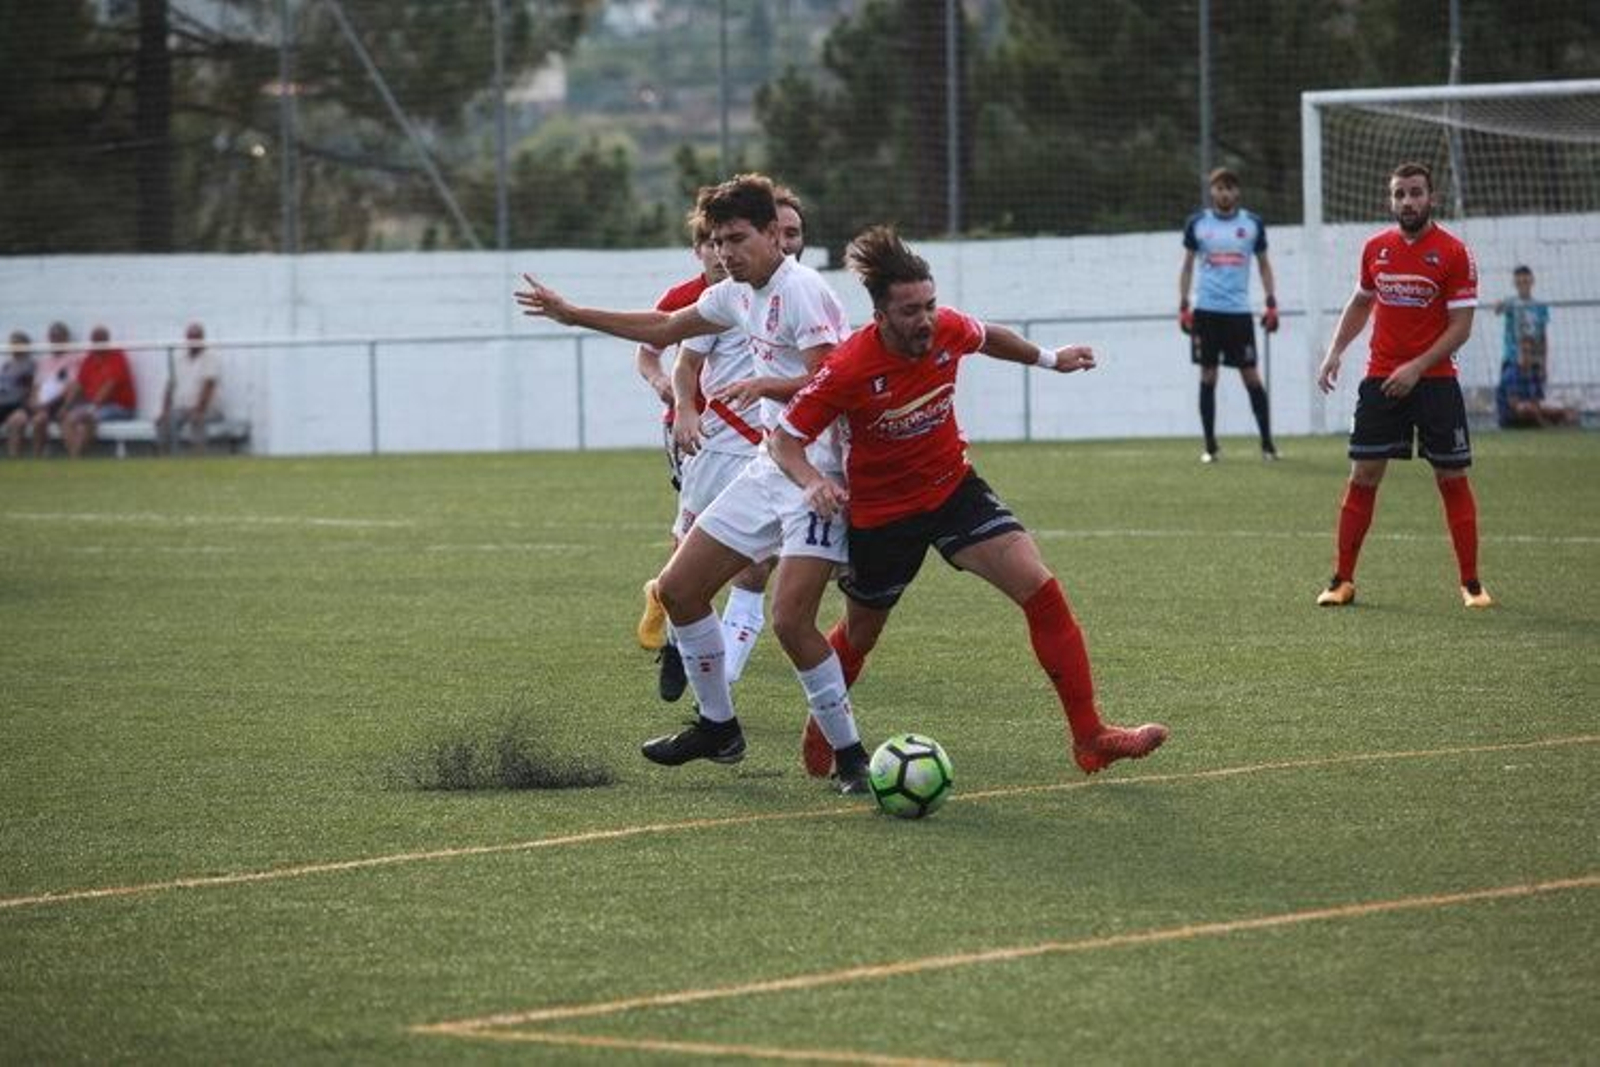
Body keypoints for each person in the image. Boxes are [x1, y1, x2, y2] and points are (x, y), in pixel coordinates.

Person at [516, 173, 873, 793]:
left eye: (738, 238)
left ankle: (851, 757)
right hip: (770, 466)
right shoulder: (736, 294)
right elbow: (663, 329)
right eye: (717, 240)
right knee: (679, 589)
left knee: (792, 622)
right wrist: (572, 314)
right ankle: (718, 726)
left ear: (772, 235)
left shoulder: (803, 291)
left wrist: (766, 386)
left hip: (819, 475)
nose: (727, 252)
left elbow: (834, 383)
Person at [772, 225, 1169, 777]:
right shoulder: (848, 367)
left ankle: (1091, 736)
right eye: (910, 310)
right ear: (880, 317)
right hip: (884, 515)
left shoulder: (948, 330)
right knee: (861, 633)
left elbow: (990, 336)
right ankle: (825, 729)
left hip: (954, 489)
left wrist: (1052, 359)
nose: (926, 319)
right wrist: (811, 481)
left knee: (1041, 589)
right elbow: (783, 439)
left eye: (930, 305)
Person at [1314, 162, 1491, 610]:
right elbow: (1360, 302)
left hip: (1435, 382)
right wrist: (1334, 351)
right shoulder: (1376, 249)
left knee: (1451, 476)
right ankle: (1342, 580)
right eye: (1399, 194)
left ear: (1431, 198)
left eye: (1415, 193)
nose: (1407, 202)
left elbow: (1461, 326)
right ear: (1390, 200)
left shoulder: (1454, 253)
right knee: (1363, 475)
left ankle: (1471, 584)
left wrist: (1417, 366)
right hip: (1380, 379)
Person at [635, 209, 777, 704]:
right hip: (700, 438)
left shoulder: (784, 294)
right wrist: (676, 400)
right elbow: (653, 353)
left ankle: (719, 676)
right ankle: (674, 623)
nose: (721, 254)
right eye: (713, 244)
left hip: (766, 444)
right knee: (690, 547)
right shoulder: (690, 301)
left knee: (756, 565)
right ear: (700, 250)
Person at [1178, 167, 1280, 462]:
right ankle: (1210, 447)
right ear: (1212, 191)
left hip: (1238, 313)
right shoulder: (1197, 224)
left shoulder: (1252, 224)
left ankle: (1267, 445)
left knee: (1251, 376)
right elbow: (1186, 266)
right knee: (1208, 375)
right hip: (1206, 312)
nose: (1224, 193)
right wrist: (1183, 304)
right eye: (1219, 188)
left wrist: (1271, 302)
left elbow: (1263, 265)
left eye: (1230, 188)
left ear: (1237, 192)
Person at [1494, 266, 1576, 428]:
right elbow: (1498, 309)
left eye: (1526, 280)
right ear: (1515, 283)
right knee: (1513, 395)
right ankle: (1514, 420)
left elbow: (1543, 336)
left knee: (1536, 399)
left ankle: (1542, 421)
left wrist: (1544, 363)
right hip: (1513, 358)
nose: (1523, 284)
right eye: (1519, 281)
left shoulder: (1539, 307)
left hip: (1534, 359)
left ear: (1532, 281)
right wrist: (1499, 304)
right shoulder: (1512, 303)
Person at [60, 325, 137, 459]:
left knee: (86, 419)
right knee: (68, 418)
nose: (96, 343)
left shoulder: (117, 356)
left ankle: (75, 458)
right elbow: (78, 385)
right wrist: (65, 406)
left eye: (100, 340)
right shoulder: (89, 359)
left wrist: (92, 408)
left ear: (107, 340)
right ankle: (74, 456)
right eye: (94, 340)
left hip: (120, 407)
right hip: (96, 406)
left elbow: (109, 385)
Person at [6, 322, 79, 458]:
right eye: (53, 337)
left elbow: (71, 386)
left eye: (59, 337)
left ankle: (37, 457)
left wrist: (49, 404)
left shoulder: (73, 360)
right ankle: (13, 459)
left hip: (54, 403)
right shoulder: (44, 362)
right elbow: (36, 386)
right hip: (38, 403)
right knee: (15, 420)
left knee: (40, 420)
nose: (55, 340)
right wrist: (34, 401)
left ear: (66, 339)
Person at [154, 322, 223, 454]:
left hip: (207, 408)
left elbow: (209, 386)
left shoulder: (211, 358)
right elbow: (170, 386)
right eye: (190, 337)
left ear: (202, 338)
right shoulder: (179, 359)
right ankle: (165, 457)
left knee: (197, 420)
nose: (193, 341)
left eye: (196, 337)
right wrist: (164, 411)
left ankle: (199, 457)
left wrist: (198, 410)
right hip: (182, 408)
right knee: (164, 422)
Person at [0, 331, 36, 445]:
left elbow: (30, 386)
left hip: (18, 403)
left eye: (17, 343)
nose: (14, 346)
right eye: (13, 343)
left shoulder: (30, 364)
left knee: (15, 422)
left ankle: (14, 458)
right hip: (3, 401)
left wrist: (27, 402)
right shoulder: (6, 365)